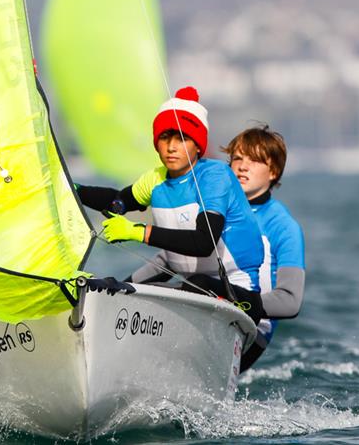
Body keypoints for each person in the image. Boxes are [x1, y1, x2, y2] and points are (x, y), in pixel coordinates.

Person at [76, 87, 265, 323]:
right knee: (111, 289)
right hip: (188, 288)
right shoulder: (155, 179)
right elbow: (118, 202)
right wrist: (74, 190)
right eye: (165, 137)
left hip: (239, 296)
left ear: (198, 145)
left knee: (199, 284)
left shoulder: (215, 177)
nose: (172, 146)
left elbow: (204, 242)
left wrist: (138, 233)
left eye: (181, 138)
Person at [223, 125, 306, 372]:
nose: (242, 166)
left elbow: (291, 302)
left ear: (273, 172)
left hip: (251, 331)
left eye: (255, 160)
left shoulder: (283, 226)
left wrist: (232, 300)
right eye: (237, 158)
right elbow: (168, 260)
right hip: (207, 308)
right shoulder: (215, 211)